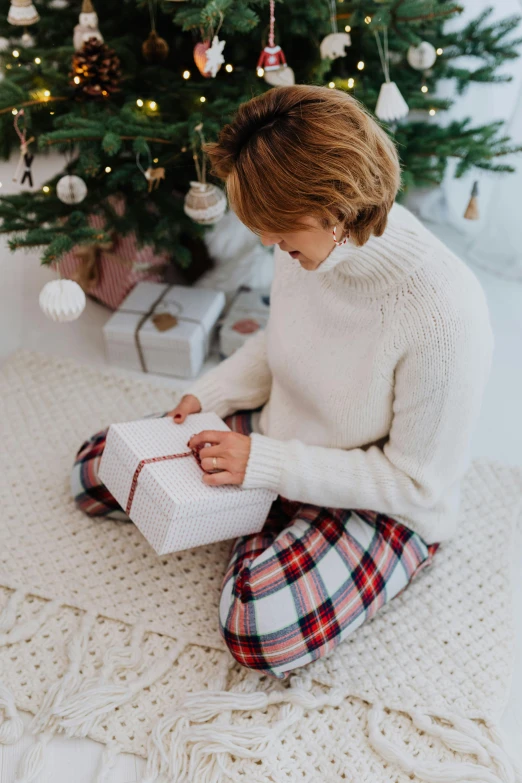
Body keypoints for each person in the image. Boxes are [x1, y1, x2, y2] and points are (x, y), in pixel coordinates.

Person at [71, 84, 494, 681]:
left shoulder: (444, 312)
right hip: (281, 439)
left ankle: (320, 533)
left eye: (278, 228)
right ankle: (267, 517)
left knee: (255, 625)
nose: (267, 243)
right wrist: (211, 395)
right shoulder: (306, 245)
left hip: (383, 494)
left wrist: (262, 467)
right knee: (96, 468)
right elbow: (281, 340)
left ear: (339, 206)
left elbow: (417, 484)